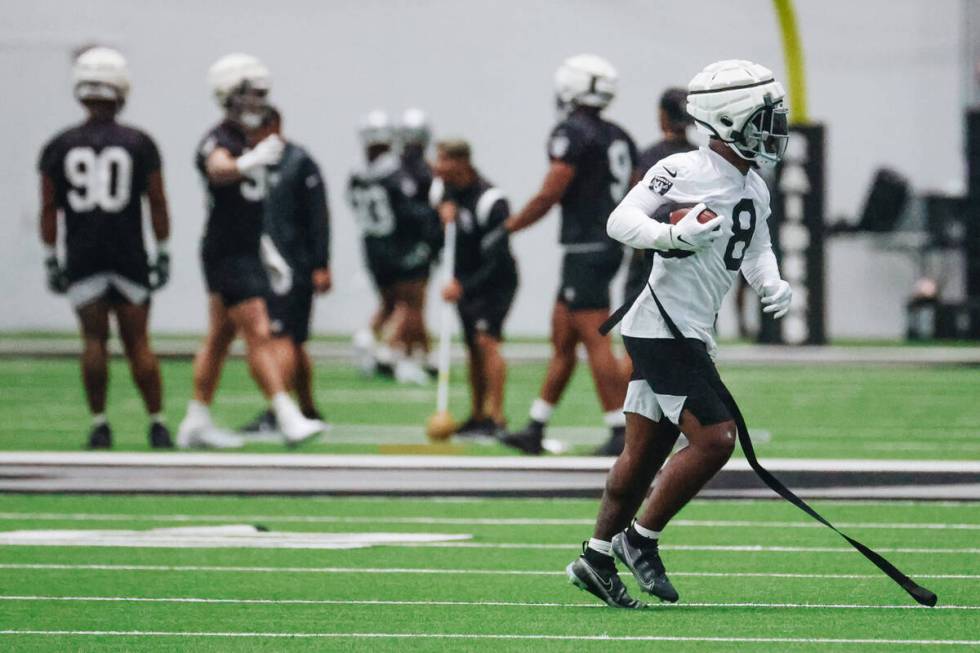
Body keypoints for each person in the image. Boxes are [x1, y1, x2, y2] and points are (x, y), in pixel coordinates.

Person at [565, 59, 793, 608]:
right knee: (716, 439)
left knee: (642, 456)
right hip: (660, 326)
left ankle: (595, 558)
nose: (774, 130)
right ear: (728, 119)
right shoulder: (681, 168)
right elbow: (621, 221)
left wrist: (772, 281)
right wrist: (671, 236)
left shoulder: (752, 184)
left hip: (689, 330)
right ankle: (640, 540)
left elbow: (754, 245)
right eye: (765, 118)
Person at [177, 53, 325, 449]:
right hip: (227, 252)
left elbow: (246, 207)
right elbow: (217, 168)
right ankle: (287, 414)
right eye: (253, 94)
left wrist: (266, 251)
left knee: (220, 338)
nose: (260, 102)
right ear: (231, 94)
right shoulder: (223, 138)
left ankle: (196, 418)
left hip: (244, 248)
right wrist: (251, 161)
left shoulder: (244, 139)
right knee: (259, 331)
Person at [501, 54, 637, 456]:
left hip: (587, 246)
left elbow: (552, 189)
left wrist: (511, 226)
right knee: (563, 337)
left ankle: (619, 429)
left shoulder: (572, 132)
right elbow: (637, 186)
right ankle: (536, 426)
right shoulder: (618, 134)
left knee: (595, 338)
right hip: (604, 243)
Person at [38, 47, 172, 450]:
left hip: (83, 253)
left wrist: (50, 258)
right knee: (139, 343)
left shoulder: (58, 145)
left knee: (94, 341)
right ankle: (157, 423)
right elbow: (157, 201)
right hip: (128, 252)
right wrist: (163, 249)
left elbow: (49, 208)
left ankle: (100, 423)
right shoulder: (139, 142)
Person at [239, 107, 332, 435]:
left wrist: (321, 262)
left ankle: (282, 409)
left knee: (284, 337)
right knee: (293, 339)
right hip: (262, 262)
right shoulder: (252, 162)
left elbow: (318, 215)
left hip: (292, 263)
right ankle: (305, 406)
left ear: (275, 126)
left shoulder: (299, 162)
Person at [431, 139, 518, 438]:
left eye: (442, 160)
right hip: (463, 282)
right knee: (472, 347)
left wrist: (464, 287)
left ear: (461, 162)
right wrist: (440, 220)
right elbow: (434, 239)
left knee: (486, 341)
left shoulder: (491, 201)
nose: (436, 166)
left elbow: (498, 258)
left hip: (495, 282)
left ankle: (497, 417)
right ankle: (478, 414)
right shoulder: (445, 194)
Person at [348, 111, 440, 385]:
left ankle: (420, 352)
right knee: (411, 303)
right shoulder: (400, 172)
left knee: (390, 303)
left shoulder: (358, 174)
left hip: (372, 244)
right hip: (401, 245)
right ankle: (394, 351)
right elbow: (412, 212)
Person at [624, 88, 697, 303]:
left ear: (663, 115)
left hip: (654, 244)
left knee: (640, 307)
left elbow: (635, 202)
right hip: (693, 246)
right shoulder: (701, 157)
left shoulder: (650, 156)